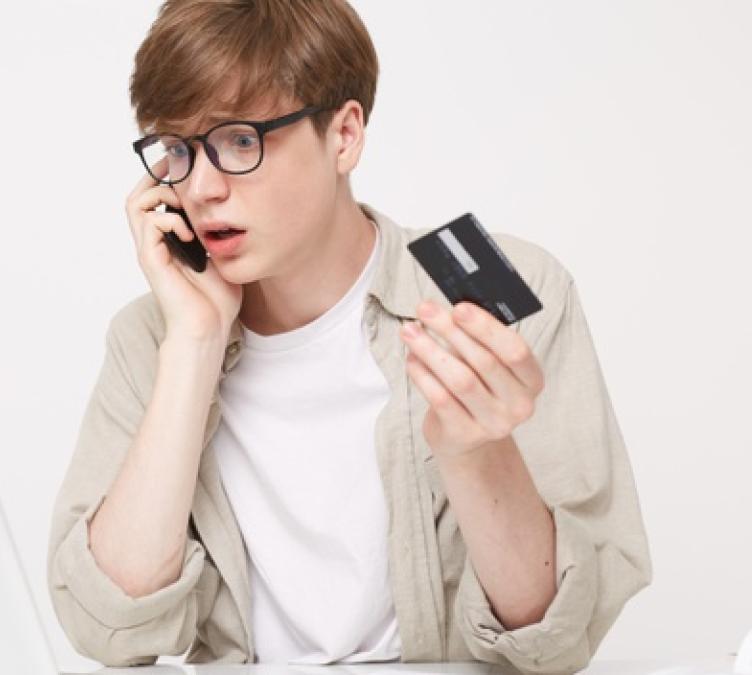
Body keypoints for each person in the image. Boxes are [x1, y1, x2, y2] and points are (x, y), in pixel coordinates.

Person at [46, 1, 652, 672]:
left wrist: (475, 451)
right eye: (179, 151)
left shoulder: (495, 290)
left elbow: (555, 642)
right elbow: (109, 627)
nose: (202, 188)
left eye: (240, 141)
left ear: (344, 135)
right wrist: (194, 344)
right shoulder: (152, 334)